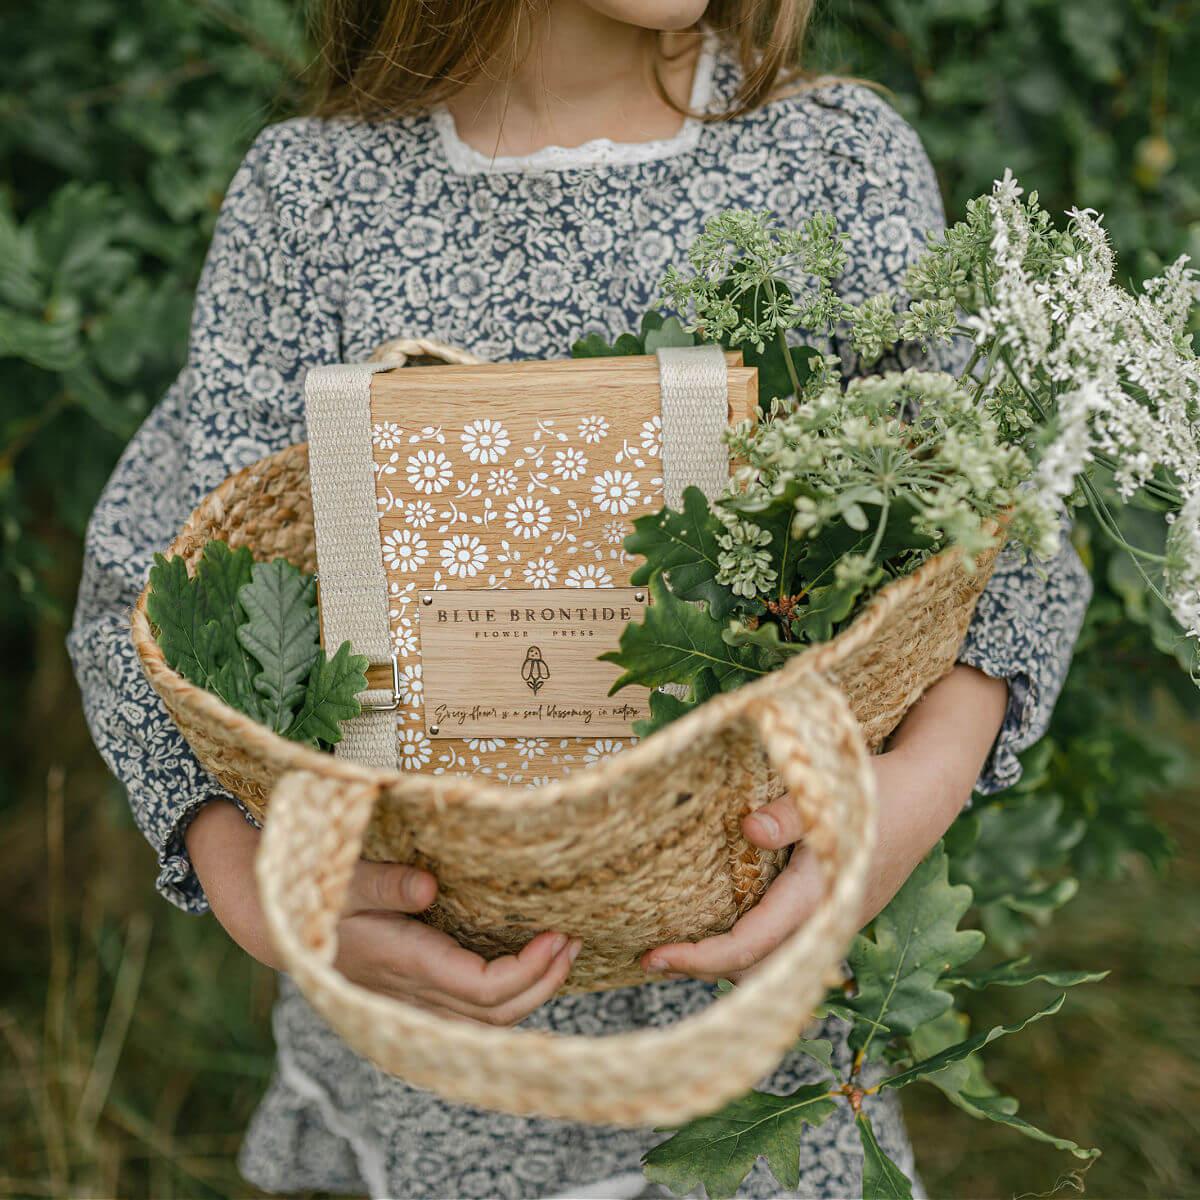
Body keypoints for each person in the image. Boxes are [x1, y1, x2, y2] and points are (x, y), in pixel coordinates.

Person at [68, 2, 1091, 1196]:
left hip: (757, 1088)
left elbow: (1009, 524)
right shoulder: (315, 197)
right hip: (416, 1095)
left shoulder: (834, 158)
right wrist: (262, 891)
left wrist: (907, 800)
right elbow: (150, 594)